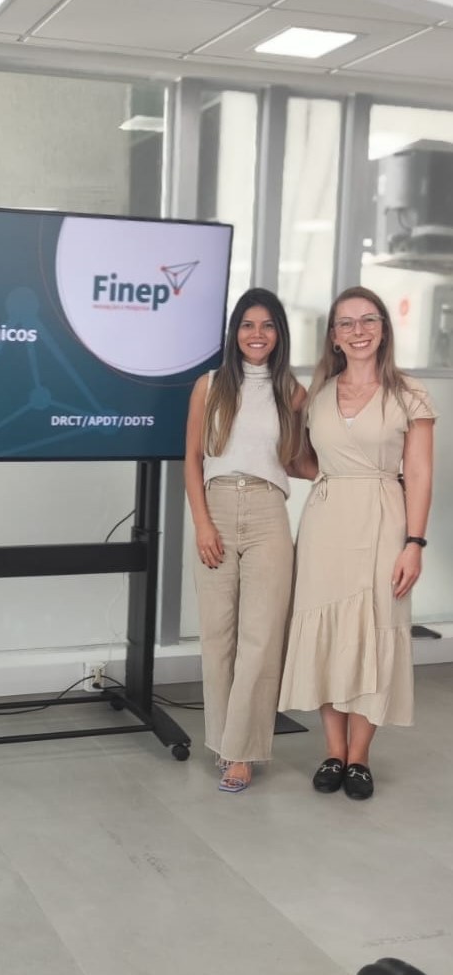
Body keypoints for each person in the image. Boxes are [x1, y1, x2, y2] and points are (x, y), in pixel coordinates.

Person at [279, 286, 435, 800]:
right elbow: (303, 461)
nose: (358, 330)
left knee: (374, 630)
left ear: (384, 329)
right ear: (334, 336)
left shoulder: (409, 393)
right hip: (325, 523)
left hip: (384, 520)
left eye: (368, 319)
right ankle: (333, 752)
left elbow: (419, 471)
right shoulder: (318, 395)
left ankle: (360, 758)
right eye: (346, 323)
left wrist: (414, 542)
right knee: (328, 634)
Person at [184, 289, 306, 793]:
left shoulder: (293, 392)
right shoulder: (209, 385)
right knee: (218, 637)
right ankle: (223, 742)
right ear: (235, 332)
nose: (258, 334)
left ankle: (241, 753)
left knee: (261, 637)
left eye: (268, 325)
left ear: (280, 334)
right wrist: (202, 523)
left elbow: (298, 461)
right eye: (248, 325)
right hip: (215, 508)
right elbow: (192, 458)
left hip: (268, 512)